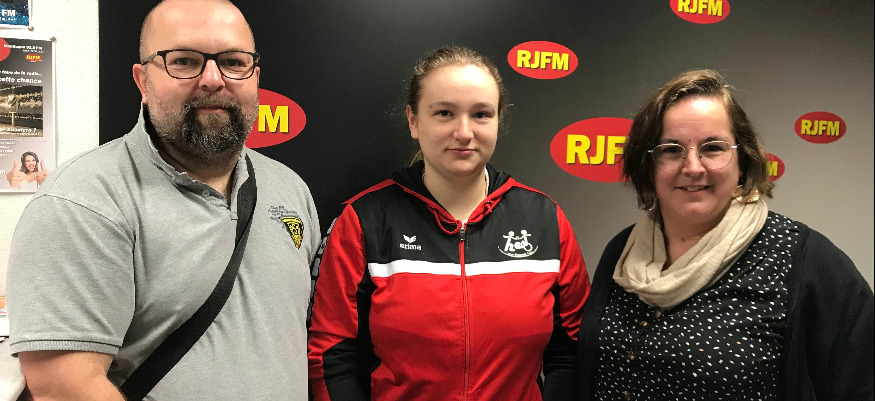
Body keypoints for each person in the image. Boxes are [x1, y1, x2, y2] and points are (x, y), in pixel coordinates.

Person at [6, 0, 319, 399]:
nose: (213, 79)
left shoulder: (290, 188)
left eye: (233, 62)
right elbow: (64, 387)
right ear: (142, 81)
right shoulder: (82, 202)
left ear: (254, 76)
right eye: (184, 61)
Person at [307, 46, 591, 401]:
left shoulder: (544, 218)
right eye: (444, 113)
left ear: (498, 121)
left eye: (481, 114)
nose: (464, 132)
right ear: (413, 121)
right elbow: (333, 356)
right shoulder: (366, 219)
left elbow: (571, 351)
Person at [575, 69, 874, 400]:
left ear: (742, 160)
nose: (692, 167)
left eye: (713, 147)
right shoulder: (623, 250)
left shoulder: (804, 261)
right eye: (671, 149)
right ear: (648, 165)